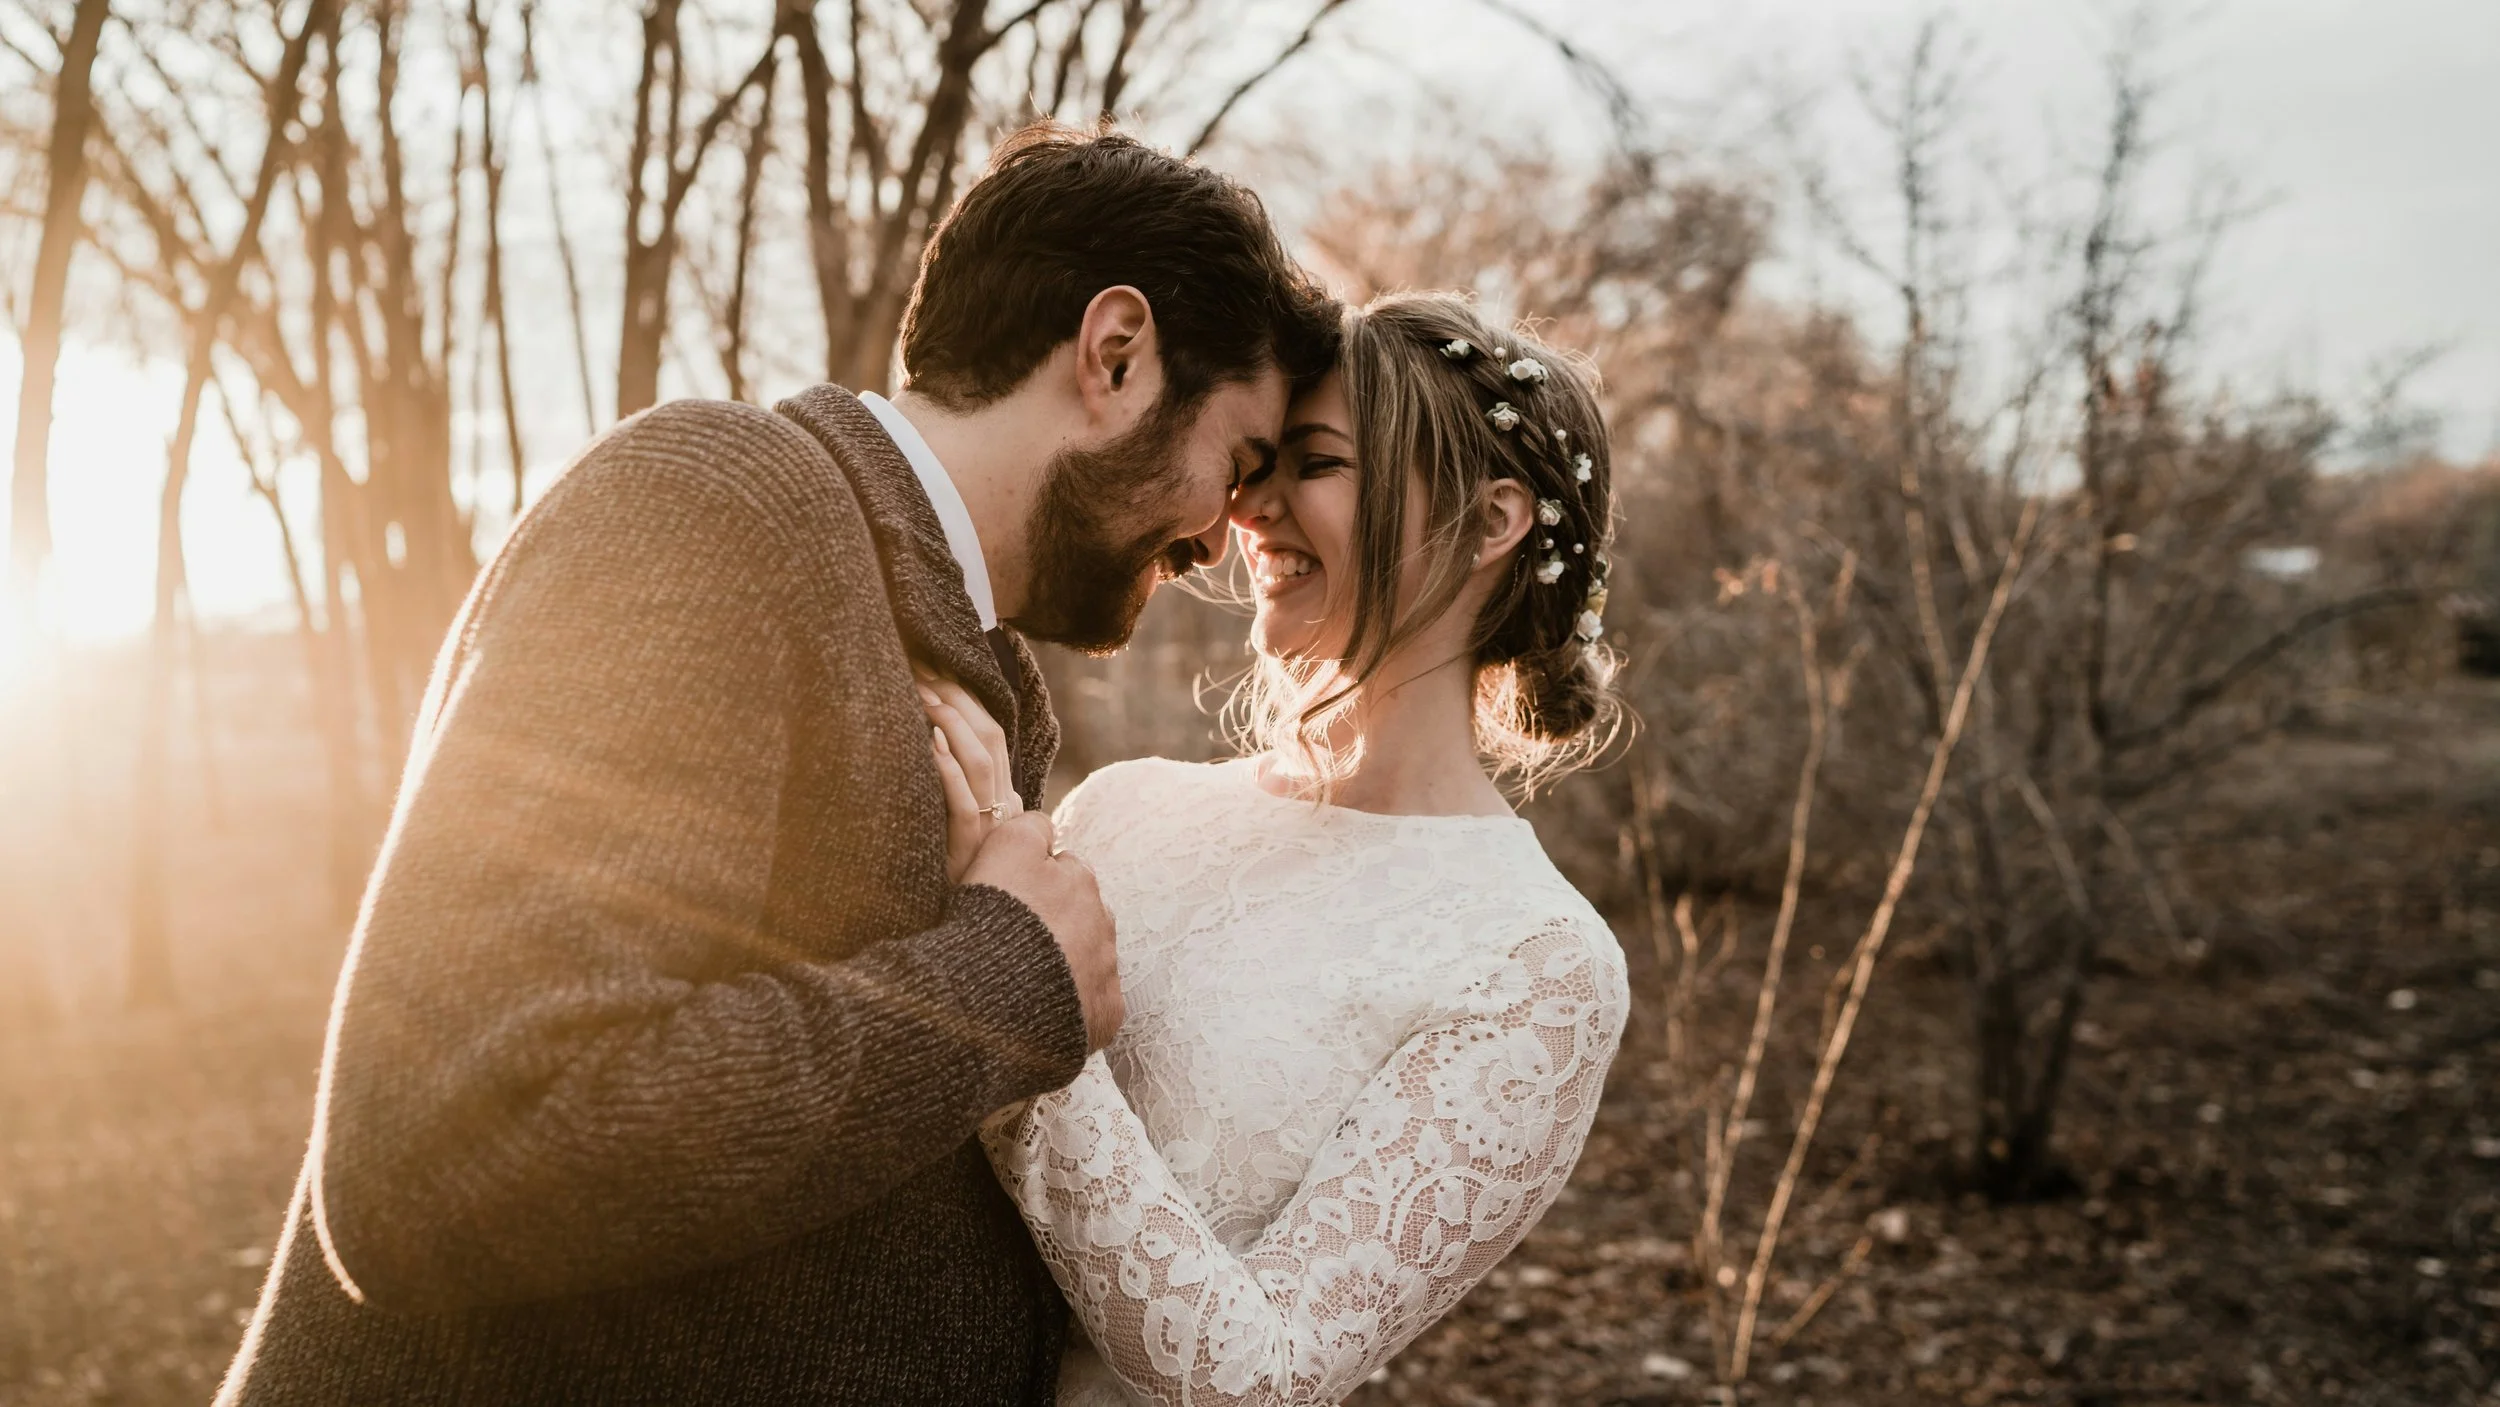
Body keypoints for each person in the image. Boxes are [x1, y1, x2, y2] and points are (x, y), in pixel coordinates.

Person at [214, 123, 1339, 1406]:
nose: (1213, 537)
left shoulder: (968, 672)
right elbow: (449, 1150)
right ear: (1116, 354)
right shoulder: (713, 502)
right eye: (1235, 463)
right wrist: (1003, 978)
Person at [922, 293, 1631, 1406]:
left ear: (1490, 522)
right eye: (1256, 464)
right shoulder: (1125, 808)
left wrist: (1013, 1021)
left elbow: (1263, 1379)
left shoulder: (1536, 965)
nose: (1249, 509)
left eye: (1319, 463)